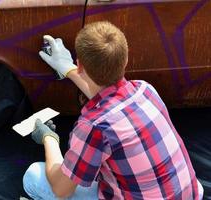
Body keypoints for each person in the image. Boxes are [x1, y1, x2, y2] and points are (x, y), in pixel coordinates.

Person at [22, 21, 204, 199]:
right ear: (125, 59)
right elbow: (109, 95)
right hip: (190, 194)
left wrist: (49, 139)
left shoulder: (94, 127)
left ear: (80, 65)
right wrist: (67, 68)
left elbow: (61, 190)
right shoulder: (145, 89)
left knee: (33, 177)